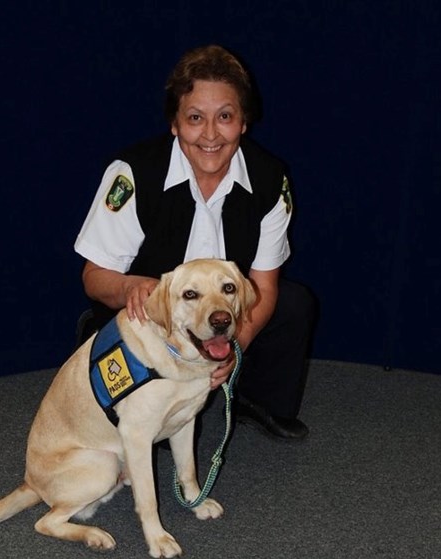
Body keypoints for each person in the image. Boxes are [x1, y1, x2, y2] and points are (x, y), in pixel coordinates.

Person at [73, 44, 315, 440]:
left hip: (221, 313)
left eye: (224, 117)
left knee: (293, 303)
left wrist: (235, 345)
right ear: (175, 123)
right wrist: (128, 286)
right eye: (195, 118)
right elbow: (93, 277)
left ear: (243, 122)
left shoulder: (270, 180)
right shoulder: (135, 174)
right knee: (155, 437)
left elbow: (265, 285)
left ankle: (252, 395)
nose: (209, 135)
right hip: (152, 319)